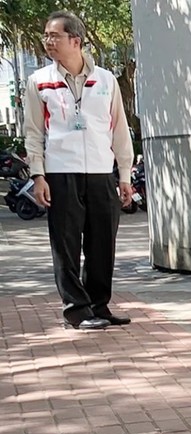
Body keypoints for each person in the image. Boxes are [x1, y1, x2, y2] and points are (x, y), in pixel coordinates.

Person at [25, 10, 134, 330]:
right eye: (46, 36)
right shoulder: (39, 81)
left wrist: (124, 174)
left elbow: (119, 130)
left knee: (102, 244)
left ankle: (99, 306)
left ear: (76, 41)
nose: (48, 41)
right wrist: (38, 175)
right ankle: (76, 310)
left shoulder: (106, 80)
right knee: (66, 245)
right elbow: (33, 132)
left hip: (101, 172)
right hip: (61, 173)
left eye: (54, 36)